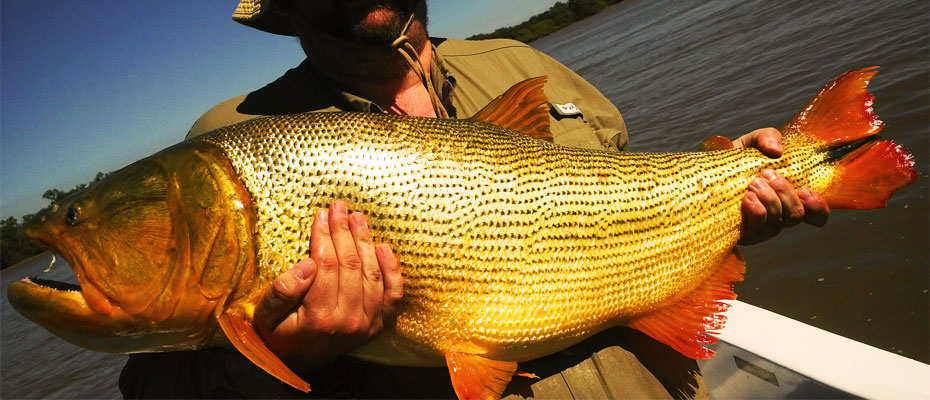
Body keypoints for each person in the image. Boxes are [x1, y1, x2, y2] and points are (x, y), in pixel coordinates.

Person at [120, 0, 830, 398]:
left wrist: (733, 203)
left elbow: (631, 205)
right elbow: (158, 387)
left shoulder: (523, 65)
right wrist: (291, 351)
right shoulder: (232, 144)